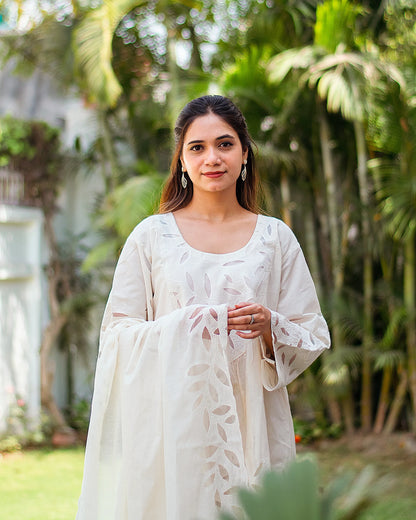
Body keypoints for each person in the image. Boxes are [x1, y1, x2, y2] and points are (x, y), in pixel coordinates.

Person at [76, 95, 330, 520]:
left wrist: (270, 326)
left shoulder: (275, 238)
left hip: (256, 426)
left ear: (244, 155)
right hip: (172, 425)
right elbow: (117, 333)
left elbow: (313, 331)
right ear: (181, 161)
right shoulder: (151, 237)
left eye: (225, 144)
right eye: (197, 147)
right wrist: (188, 323)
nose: (212, 157)